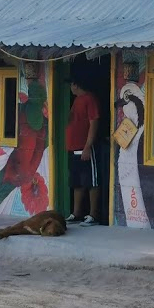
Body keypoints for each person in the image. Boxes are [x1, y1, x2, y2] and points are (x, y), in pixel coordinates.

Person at [65, 78, 100, 227]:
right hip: (73, 148)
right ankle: (76, 212)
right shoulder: (77, 100)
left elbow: (94, 121)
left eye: (71, 84)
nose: (70, 87)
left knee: (91, 181)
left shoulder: (89, 99)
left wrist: (88, 146)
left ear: (76, 84)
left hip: (85, 147)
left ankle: (94, 215)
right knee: (77, 181)